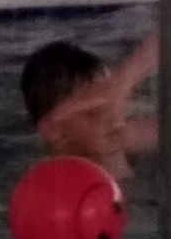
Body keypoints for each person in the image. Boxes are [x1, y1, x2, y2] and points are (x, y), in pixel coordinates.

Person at [19, 30, 159, 180]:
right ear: (54, 130)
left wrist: (125, 79)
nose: (114, 119)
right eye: (95, 112)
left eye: (115, 104)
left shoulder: (120, 139)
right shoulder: (49, 183)